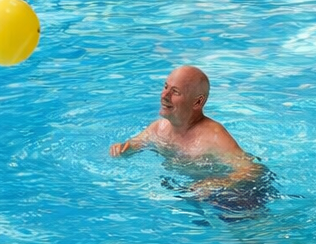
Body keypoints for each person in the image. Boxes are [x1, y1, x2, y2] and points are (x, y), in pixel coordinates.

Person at [110, 66, 272, 212]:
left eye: (175, 92)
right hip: (192, 193)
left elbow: (253, 169)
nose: (164, 95)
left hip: (234, 195)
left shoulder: (214, 136)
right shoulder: (158, 128)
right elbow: (136, 144)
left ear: (197, 102)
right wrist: (124, 148)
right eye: (165, 87)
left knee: (249, 236)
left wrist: (215, 183)